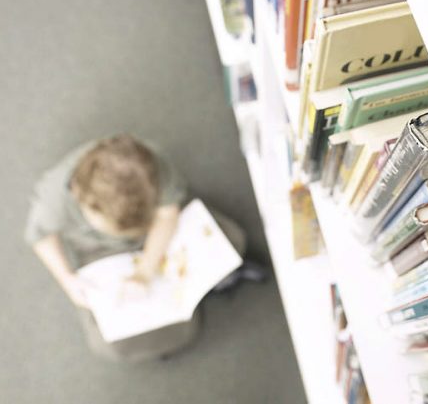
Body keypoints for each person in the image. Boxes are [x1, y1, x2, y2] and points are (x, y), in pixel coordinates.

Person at [25, 134, 263, 361]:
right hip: (103, 251)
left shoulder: (149, 167)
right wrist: (67, 280)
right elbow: (41, 237)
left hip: (157, 229)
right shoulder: (52, 201)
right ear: (83, 200)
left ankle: (210, 283)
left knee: (232, 239)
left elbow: (167, 215)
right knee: (114, 340)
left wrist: (146, 270)